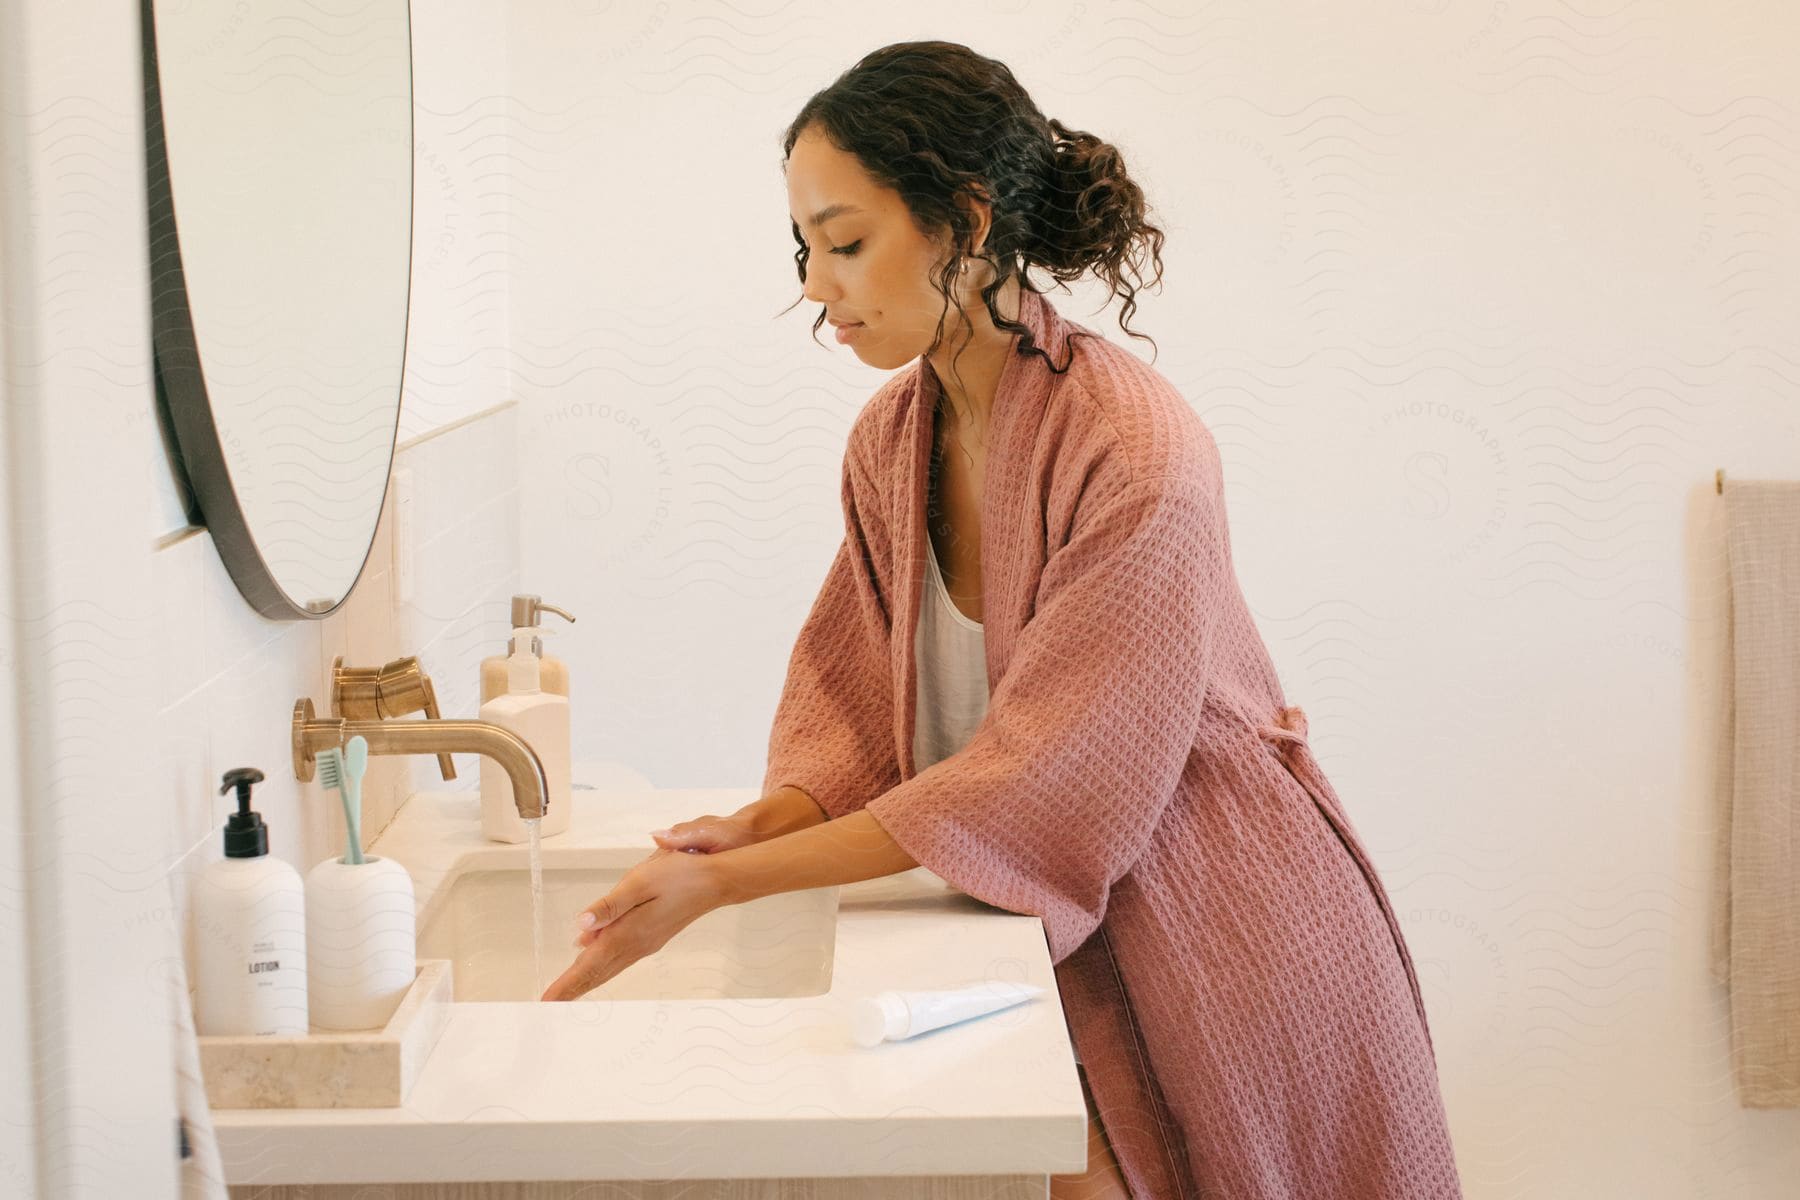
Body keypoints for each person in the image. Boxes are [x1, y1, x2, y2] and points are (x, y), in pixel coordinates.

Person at [548, 41, 1464, 1200]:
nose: (818, 287)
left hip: (1226, 932)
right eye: (805, 249)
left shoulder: (1136, 451)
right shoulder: (893, 439)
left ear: (964, 222)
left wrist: (732, 887)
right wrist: (766, 822)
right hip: (1058, 929)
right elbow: (858, 694)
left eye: (846, 243)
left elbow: (1042, 780)